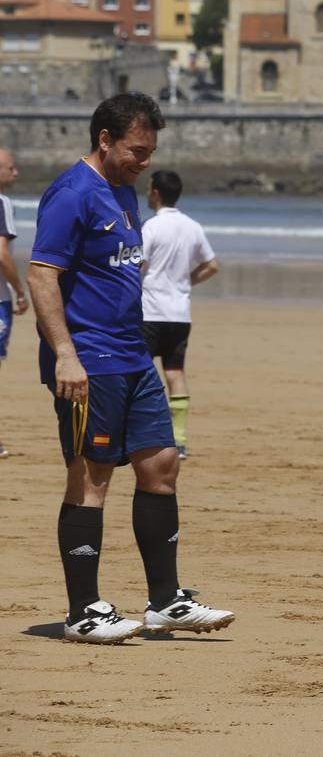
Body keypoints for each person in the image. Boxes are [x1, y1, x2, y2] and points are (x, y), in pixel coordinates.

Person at [28, 92, 234, 644]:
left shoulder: (122, 191)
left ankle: (166, 601)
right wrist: (65, 355)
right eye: (136, 150)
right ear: (105, 139)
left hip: (134, 354)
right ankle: (83, 611)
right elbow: (42, 275)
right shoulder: (71, 193)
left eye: (149, 152)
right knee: (90, 478)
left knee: (162, 465)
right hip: (89, 361)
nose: (145, 162)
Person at [140, 170, 219, 460]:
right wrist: (186, 282)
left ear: (156, 193)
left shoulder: (151, 227)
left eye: (149, 188)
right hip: (179, 313)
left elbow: (140, 265)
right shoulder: (193, 227)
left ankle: (142, 431)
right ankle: (180, 440)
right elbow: (212, 265)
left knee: (141, 373)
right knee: (175, 373)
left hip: (150, 311)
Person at [1, 147, 29, 458]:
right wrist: (19, 291)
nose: (16, 173)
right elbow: (2, 254)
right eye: (11, 167)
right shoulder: (2, 203)